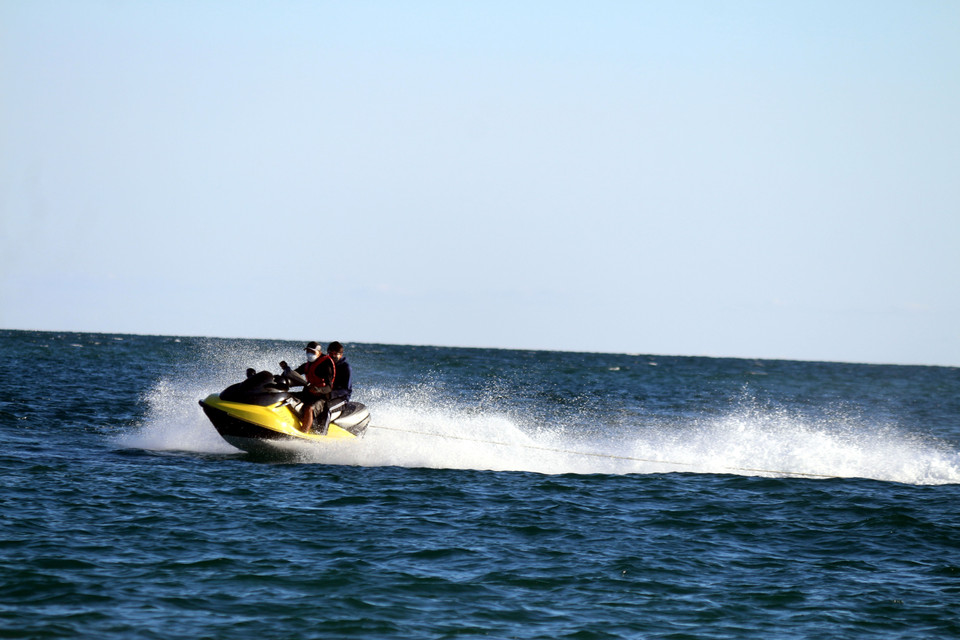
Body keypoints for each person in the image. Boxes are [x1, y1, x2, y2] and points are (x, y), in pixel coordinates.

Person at [280, 341, 335, 434]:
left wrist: (319, 390)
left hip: (322, 398)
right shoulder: (307, 365)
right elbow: (294, 373)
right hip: (308, 394)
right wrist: (281, 375)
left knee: (309, 408)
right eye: (308, 351)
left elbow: (330, 387)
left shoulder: (326, 365)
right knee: (285, 396)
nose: (309, 354)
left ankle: (303, 432)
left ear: (319, 353)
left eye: (312, 352)